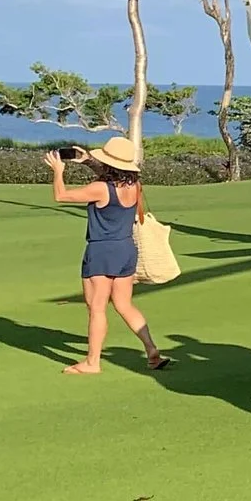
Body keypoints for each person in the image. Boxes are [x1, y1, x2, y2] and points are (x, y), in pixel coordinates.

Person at [44, 136, 168, 375]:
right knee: (123, 304)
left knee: (97, 307)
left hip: (102, 251)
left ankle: (92, 362)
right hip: (126, 249)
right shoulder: (135, 186)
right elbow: (113, 177)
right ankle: (152, 350)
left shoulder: (100, 188)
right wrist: (88, 160)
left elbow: (61, 196)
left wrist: (58, 171)